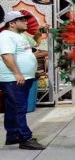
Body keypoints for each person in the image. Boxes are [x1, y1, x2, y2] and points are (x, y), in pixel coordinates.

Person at [0, 11, 46, 150]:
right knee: (20, 108)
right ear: (12, 23)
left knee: (12, 108)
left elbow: (33, 46)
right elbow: (7, 56)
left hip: (23, 78)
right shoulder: (5, 36)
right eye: (22, 20)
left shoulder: (21, 36)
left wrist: (39, 32)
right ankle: (25, 138)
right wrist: (17, 74)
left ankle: (12, 136)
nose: (26, 22)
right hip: (13, 79)